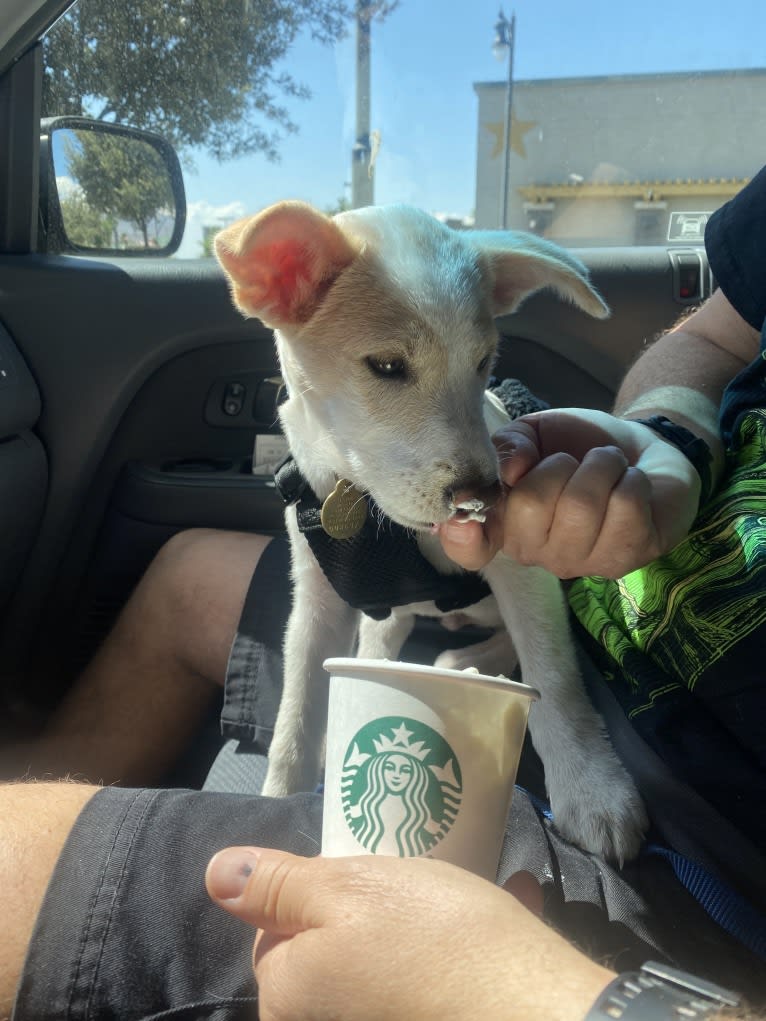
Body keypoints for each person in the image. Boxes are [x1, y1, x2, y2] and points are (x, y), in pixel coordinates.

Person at [4, 163, 766, 1020]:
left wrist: (569, 738)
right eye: (392, 366)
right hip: (537, 612)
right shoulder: (307, 317)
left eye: (479, 364)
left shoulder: (447, 443)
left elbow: (510, 560)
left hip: (694, 805)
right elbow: (718, 340)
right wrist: (666, 438)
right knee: (190, 571)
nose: (469, 463)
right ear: (279, 279)